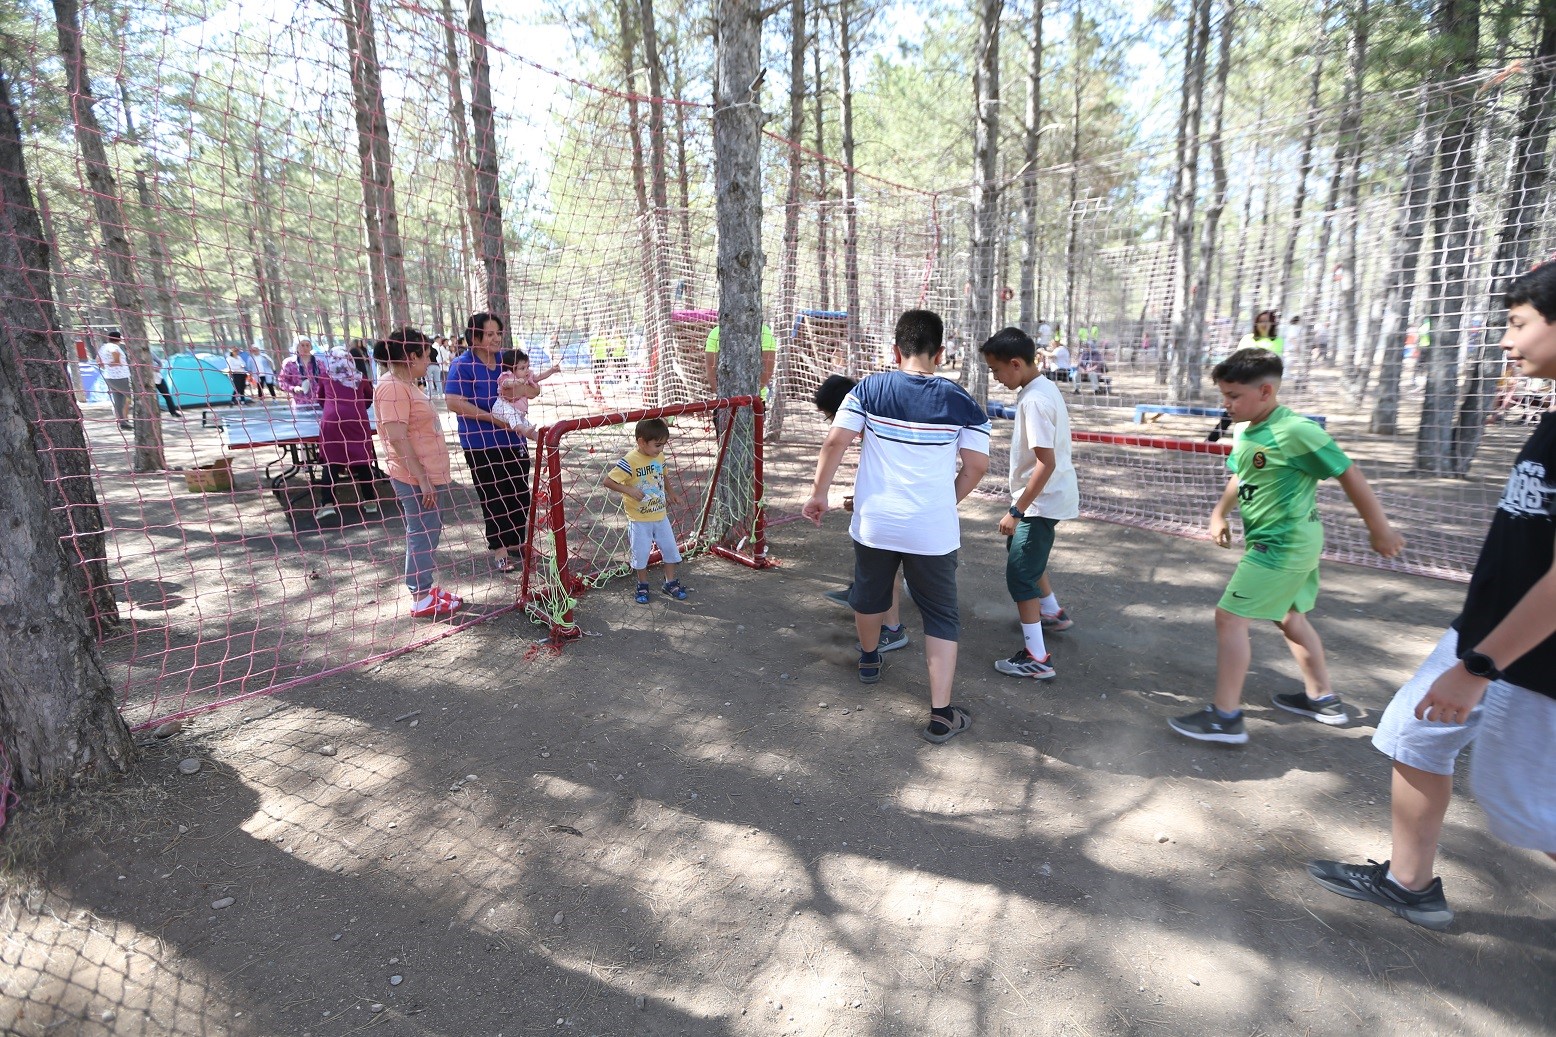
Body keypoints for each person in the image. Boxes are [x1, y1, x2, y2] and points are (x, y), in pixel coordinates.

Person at [1307, 260, 1556, 929]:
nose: (1505, 340)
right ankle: (1410, 884)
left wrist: (1480, 667)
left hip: (1530, 657)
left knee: (1532, 812)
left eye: (1518, 323)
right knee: (1413, 734)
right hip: (1484, 630)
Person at [1168, 346, 1404, 744]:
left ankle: (1225, 717)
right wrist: (1218, 514)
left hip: (1282, 545)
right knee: (1291, 617)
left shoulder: (1296, 430)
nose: (1226, 404)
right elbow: (1240, 475)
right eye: (1223, 396)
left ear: (1265, 391)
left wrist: (1379, 529)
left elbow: (1349, 473)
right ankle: (1322, 698)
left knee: (1230, 618)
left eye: (1234, 396)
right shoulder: (1246, 428)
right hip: (1285, 543)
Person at [802, 309, 991, 744]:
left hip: (876, 522)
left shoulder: (868, 389)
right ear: (940, 353)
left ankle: (870, 659)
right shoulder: (963, 403)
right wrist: (946, 500)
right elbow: (976, 466)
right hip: (932, 528)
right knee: (941, 614)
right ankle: (941, 714)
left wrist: (818, 493)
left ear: (895, 350)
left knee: (869, 594)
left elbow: (835, 441)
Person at [980, 328, 1080, 681]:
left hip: (1039, 503)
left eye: (996, 370)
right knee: (1023, 554)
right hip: (1044, 499)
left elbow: (1046, 462)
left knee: (1020, 573)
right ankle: (1051, 612)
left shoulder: (1034, 400)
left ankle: (1037, 657)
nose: (995, 377)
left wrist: (1016, 510)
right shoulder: (1039, 388)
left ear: (1016, 364)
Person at [813, 374, 909, 654]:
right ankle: (864, 593)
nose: (831, 422)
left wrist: (822, 494)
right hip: (899, 509)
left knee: (886, 569)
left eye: (830, 415)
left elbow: (897, 474)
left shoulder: (881, 429)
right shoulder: (878, 420)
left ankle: (891, 630)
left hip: (902, 513)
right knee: (881, 568)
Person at [374, 328, 461, 619]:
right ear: (411, 357)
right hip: (414, 478)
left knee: (428, 532)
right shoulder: (393, 387)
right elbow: (397, 438)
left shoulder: (406, 383)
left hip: (427, 476)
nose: (429, 362)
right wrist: (422, 480)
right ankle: (421, 597)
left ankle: (424, 589)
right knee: (422, 534)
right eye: (425, 356)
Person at [445, 312, 532, 574]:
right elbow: (453, 401)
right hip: (481, 443)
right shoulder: (462, 365)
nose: (496, 339)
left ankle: (517, 542)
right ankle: (500, 549)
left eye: (498, 333)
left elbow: (528, 386)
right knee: (493, 495)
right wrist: (492, 419)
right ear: (475, 336)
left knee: (519, 493)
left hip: (513, 438)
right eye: (490, 334)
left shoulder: (506, 361)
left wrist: (525, 391)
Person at [602, 417, 691, 604]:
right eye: (657, 445)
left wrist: (672, 493)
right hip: (639, 519)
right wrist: (630, 490)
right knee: (641, 554)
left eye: (663, 445)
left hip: (660, 516)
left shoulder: (659, 456)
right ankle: (642, 584)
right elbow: (608, 481)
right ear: (641, 442)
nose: (660, 450)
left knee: (670, 550)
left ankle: (670, 582)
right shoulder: (629, 461)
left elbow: (664, 474)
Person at [315, 345, 380, 523]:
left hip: (332, 420)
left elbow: (320, 397)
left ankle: (327, 504)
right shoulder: (360, 377)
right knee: (362, 459)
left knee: (331, 460)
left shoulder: (326, 376)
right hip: (357, 420)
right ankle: (370, 501)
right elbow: (368, 399)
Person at [705, 322, 777, 397]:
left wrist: (749, 397)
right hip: (725, 401)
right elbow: (711, 372)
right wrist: (725, 397)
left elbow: (767, 371)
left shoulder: (764, 332)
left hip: (756, 400)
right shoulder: (715, 333)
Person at [98, 331, 133, 429]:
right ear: (119, 339)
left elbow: (98, 361)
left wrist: (106, 366)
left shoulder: (103, 347)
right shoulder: (114, 347)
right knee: (128, 398)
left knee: (118, 400)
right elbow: (115, 357)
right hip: (120, 377)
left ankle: (122, 422)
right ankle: (125, 419)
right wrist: (115, 362)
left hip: (109, 377)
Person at [279, 338, 324, 409]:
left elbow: (325, 380)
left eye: (307, 345)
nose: (305, 348)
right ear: (296, 347)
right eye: (302, 345)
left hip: (318, 403)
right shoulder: (289, 363)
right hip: (299, 403)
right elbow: (282, 381)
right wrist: (293, 388)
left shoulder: (319, 362)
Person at [153, 352, 182, 418]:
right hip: (147, 379)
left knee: (167, 394)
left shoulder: (150, 353)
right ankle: (154, 413)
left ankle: (173, 411)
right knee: (152, 397)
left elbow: (159, 362)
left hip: (158, 377)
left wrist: (158, 368)